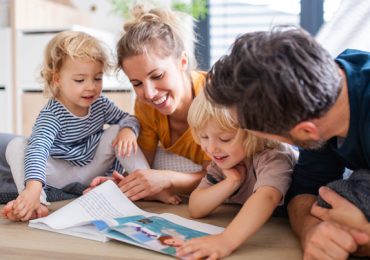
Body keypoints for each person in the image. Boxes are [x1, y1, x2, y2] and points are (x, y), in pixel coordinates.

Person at [204, 26, 370, 259]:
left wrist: (364, 235)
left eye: (268, 137)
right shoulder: (321, 98)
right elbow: (304, 191)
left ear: (306, 131)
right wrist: (311, 231)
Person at [1, 31, 144, 221]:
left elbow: (128, 119)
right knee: (18, 145)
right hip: (57, 173)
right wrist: (34, 186)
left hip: (92, 168)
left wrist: (127, 130)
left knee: (120, 130)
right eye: (80, 80)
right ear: (57, 79)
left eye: (97, 78)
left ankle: (145, 179)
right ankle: (36, 199)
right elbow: (38, 149)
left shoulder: (100, 103)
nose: (91, 87)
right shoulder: (52, 114)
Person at [86, 5, 210, 203]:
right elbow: (144, 169)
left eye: (158, 75)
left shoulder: (211, 97)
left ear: (182, 62)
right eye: (137, 83)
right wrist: (124, 186)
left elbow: (215, 176)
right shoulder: (146, 107)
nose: (150, 93)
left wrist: (167, 178)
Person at [176, 90, 296, 259]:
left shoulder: (273, 155)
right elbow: (196, 208)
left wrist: (226, 241)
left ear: (253, 133)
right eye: (204, 137)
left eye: (224, 139)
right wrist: (231, 182)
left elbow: (268, 196)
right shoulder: (223, 161)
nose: (211, 148)